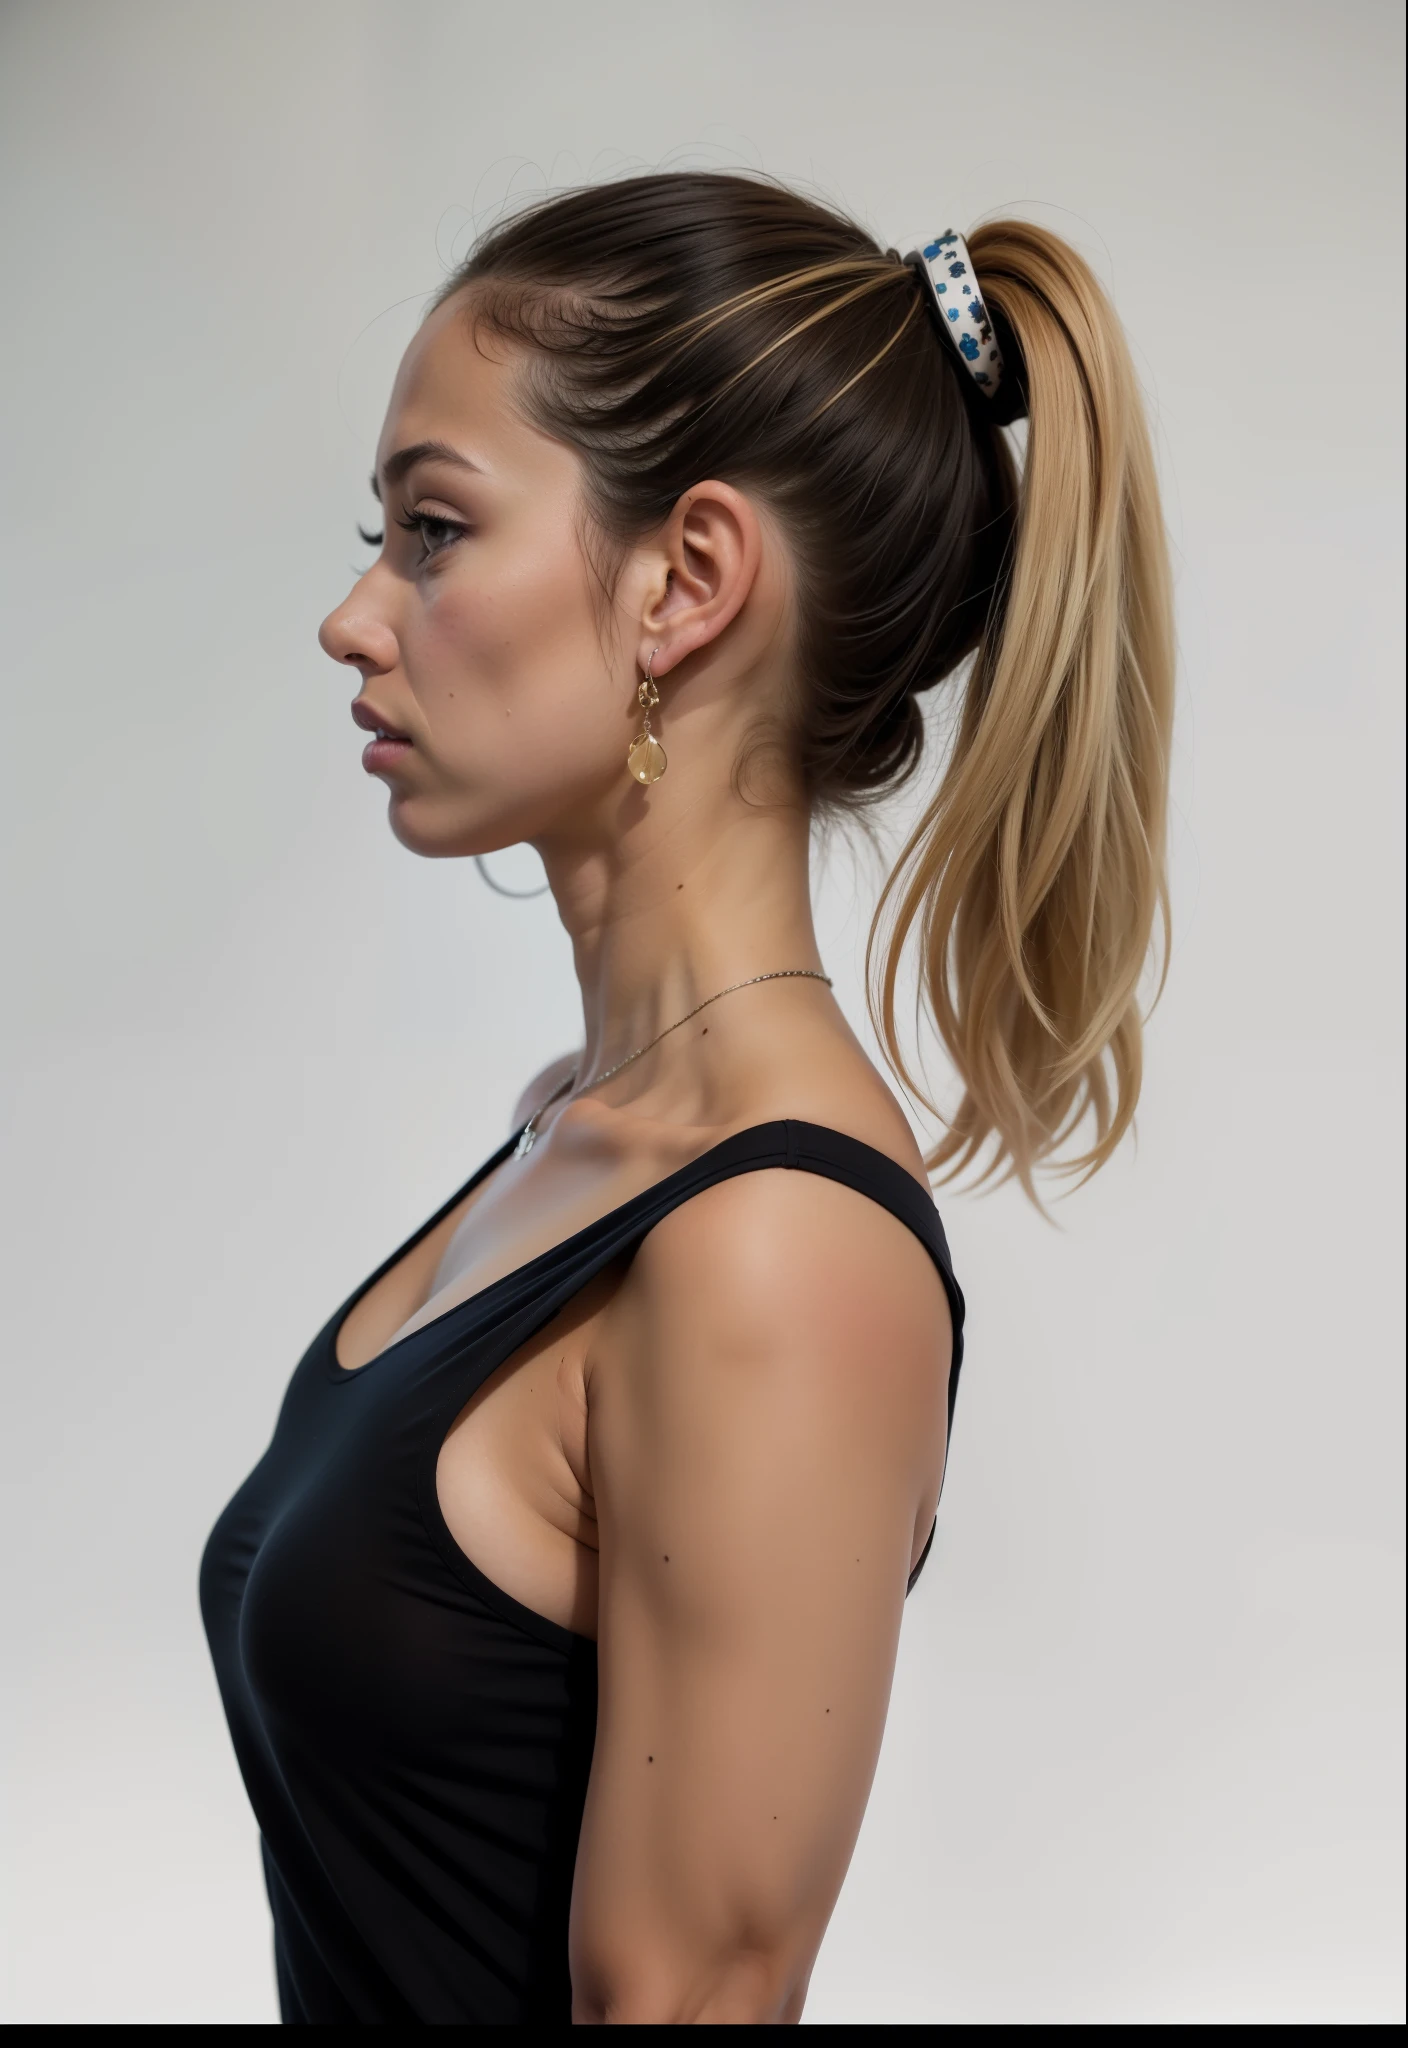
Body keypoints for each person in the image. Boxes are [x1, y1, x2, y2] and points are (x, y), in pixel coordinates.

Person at [200, 171, 1173, 2025]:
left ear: (690, 581)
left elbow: (691, 2005)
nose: (353, 616)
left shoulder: (773, 1251)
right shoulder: (573, 1128)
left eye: (429, 530)